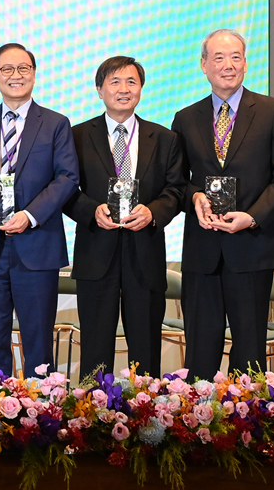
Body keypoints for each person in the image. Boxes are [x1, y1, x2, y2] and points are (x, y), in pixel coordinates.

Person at [172, 29, 274, 377]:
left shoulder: (273, 111)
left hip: (251, 245)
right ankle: (196, 421)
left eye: (235, 57)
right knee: (200, 344)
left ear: (245, 62)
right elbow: (176, 180)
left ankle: (247, 422)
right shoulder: (186, 117)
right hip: (203, 248)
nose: (227, 65)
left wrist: (253, 217)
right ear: (203, 65)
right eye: (218, 58)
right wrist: (195, 196)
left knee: (249, 345)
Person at [0, 42, 78, 377]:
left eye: (23, 68)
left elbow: (68, 177)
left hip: (36, 245)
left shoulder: (56, 123)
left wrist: (29, 215)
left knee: (38, 341)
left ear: (34, 74)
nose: (16, 76)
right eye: (7, 70)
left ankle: (40, 420)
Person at [64, 56, 184, 377]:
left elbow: (176, 190)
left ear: (141, 89)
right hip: (95, 254)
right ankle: (92, 415)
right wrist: (91, 210)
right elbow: (64, 189)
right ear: (99, 89)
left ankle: (147, 419)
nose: (123, 89)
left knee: (146, 350)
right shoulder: (76, 136)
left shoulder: (164, 139)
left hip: (145, 254)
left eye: (131, 82)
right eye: (115, 82)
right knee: (95, 349)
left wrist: (153, 211)